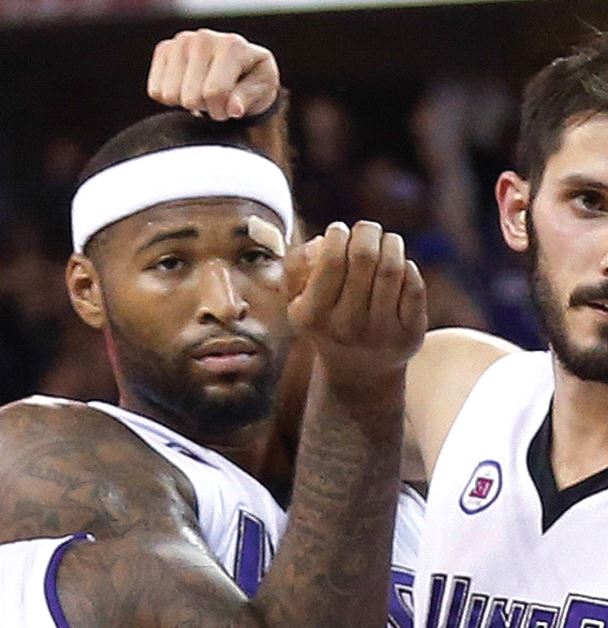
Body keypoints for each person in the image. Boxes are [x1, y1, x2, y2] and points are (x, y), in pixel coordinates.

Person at [148, 28, 608, 627]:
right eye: (588, 203)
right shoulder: (455, 386)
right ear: (516, 211)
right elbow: (261, 367)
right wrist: (254, 128)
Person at [0, 68, 427, 626]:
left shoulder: (410, 487)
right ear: (87, 290)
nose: (225, 302)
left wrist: (264, 113)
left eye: (253, 259)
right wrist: (358, 389)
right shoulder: (44, 453)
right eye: (171, 263)